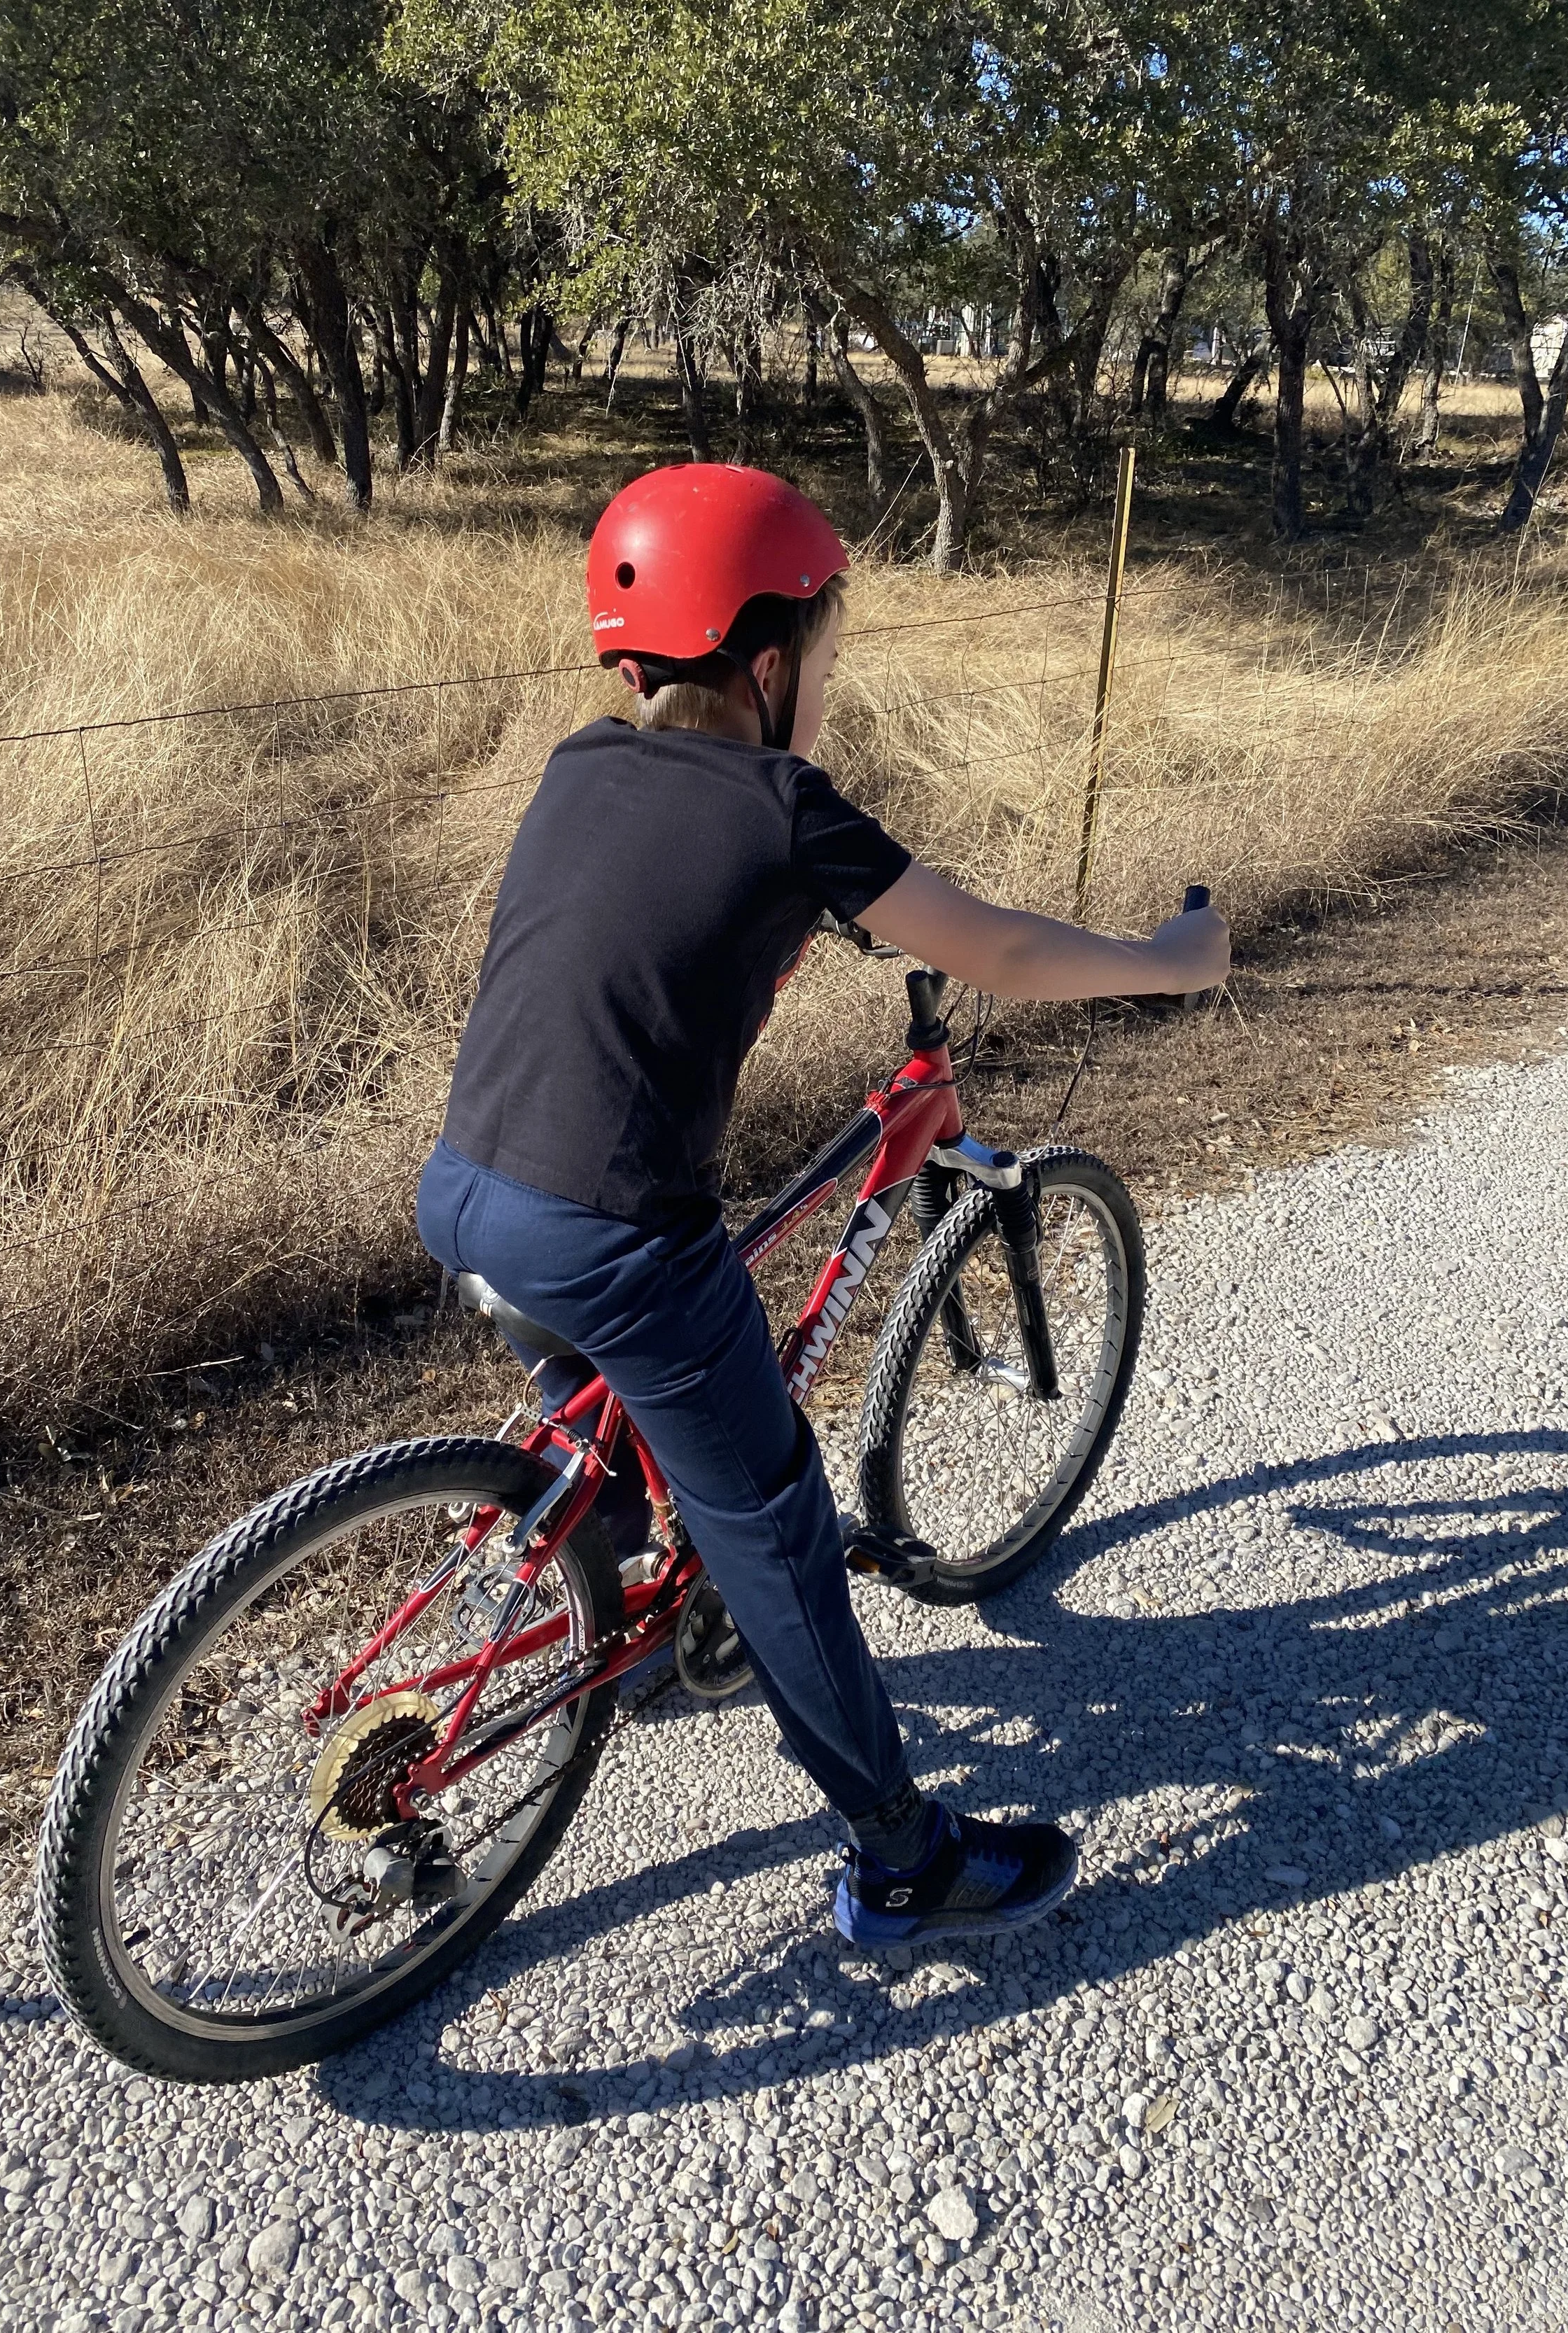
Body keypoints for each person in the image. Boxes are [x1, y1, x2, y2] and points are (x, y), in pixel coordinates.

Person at [416, 464, 1228, 1947]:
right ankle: (899, 1857)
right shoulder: (788, 809)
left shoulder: (573, 764)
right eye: (830, 662)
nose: (827, 693)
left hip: (467, 1193)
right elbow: (998, 948)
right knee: (777, 1524)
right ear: (772, 661)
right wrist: (1172, 959)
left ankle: (618, 1603)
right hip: (615, 1242)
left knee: (626, 1435)